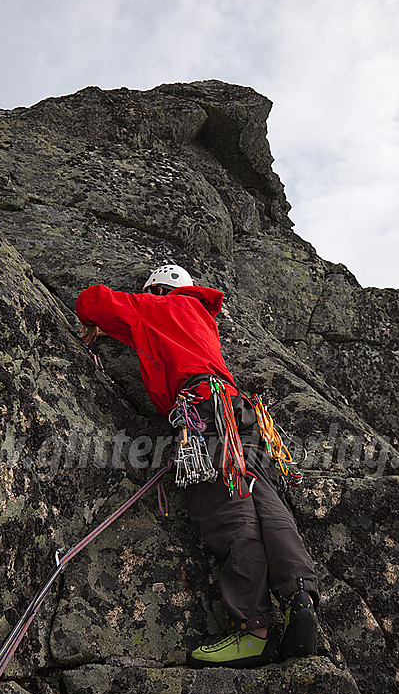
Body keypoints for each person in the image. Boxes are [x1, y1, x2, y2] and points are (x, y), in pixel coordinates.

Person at [76, 264, 318, 668]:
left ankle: (254, 630)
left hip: (203, 412)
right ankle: (299, 599)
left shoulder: (156, 306)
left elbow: (92, 300)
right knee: (264, 502)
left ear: (157, 290)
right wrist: (115, 330)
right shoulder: (198, 316)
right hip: (240, 413)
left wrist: (95, 321)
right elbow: (152, 335)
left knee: (228, 510)